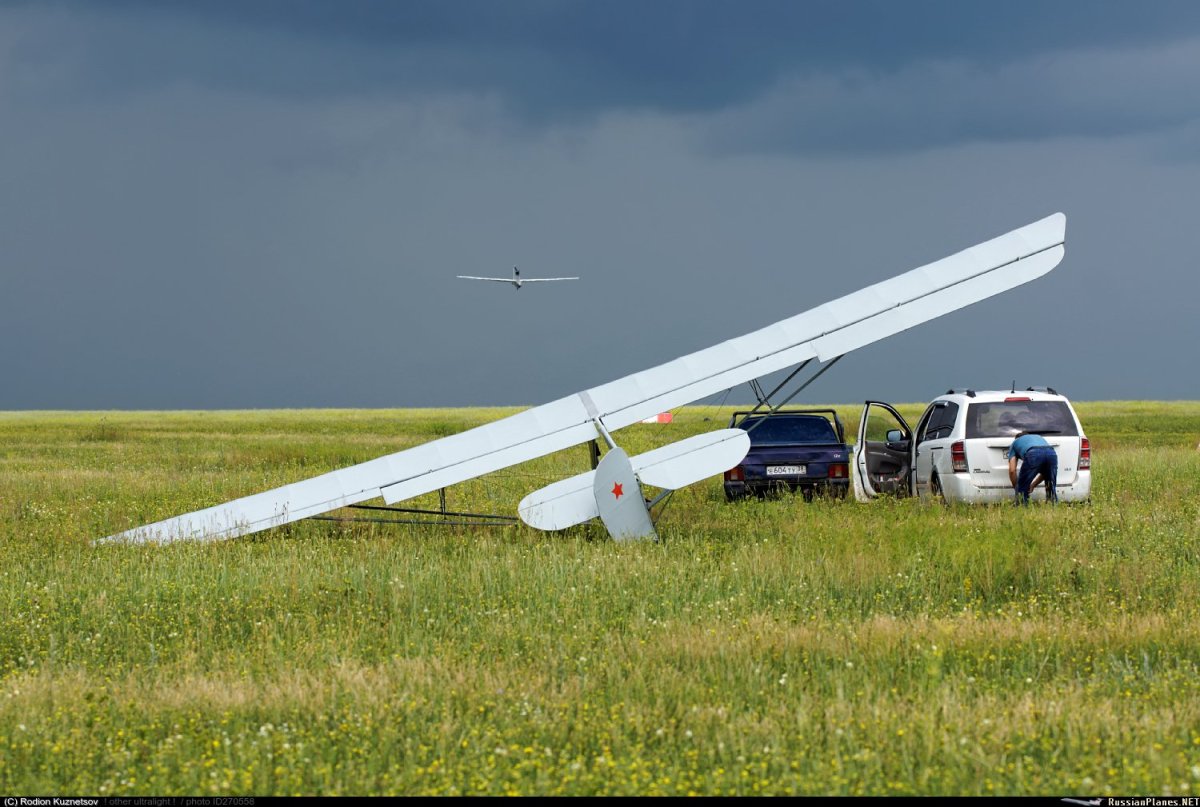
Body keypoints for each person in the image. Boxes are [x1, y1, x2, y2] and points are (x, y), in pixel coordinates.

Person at [1006, 426, 1058, 504]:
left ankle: (1022, 508)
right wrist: (1033, 485)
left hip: (1033, 453)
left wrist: (1018, 488)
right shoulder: (1038, 437)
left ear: (1017, 438)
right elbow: (1045, 473)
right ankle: (1053, 506)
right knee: (1050, 484)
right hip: (1051, 453)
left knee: (1022, 490)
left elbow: (1012, 470)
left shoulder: (1015, 443)